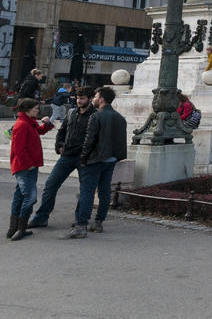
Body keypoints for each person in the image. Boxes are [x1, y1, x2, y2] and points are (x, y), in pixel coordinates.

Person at [28, 87, 96, 228]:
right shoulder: (71, 113)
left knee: (85, 190)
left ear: (90, 99)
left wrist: (87, 154)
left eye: (82, 98)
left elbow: (96, 139)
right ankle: (41, 217)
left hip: (84, 158)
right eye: (78, 98)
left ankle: (81, 221)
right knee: (50, 185)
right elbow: (62, 131)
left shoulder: (95, 115)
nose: (79, 101)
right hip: (67, 155)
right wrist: (59, 144)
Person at [65, 86, 127, 238]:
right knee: (105, 191)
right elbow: (121, 141)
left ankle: (81, 225)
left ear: (101, 99)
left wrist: (84, 158)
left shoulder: (97, 116)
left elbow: (89, 140)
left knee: (87, 191)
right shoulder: (120, 117)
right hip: (110, 159)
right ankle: (98, 222)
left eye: (95, 97)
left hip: (95, 159)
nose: (93, 99)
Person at [7, 98, 53, 241]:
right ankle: (20, 229)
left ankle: (14, 228)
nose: (38, 110)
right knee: (30, 197)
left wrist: (46, 124)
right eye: (35, 108)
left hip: (26, 166)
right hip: (25, 167)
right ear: (27, 110)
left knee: (20, 196)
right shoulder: (22, 125)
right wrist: (28, 164)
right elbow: (19, 149)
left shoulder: (28, 122)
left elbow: (38, 131)